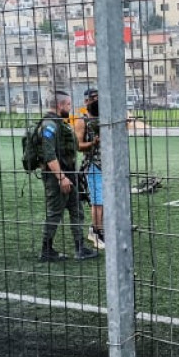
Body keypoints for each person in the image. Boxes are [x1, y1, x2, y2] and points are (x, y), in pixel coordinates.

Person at [37, 91, 99, 262]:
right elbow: (49, 155)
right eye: (69, 105)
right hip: (57, 177)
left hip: (69, 175)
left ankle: (80, 248)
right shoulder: (49, 125)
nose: (70, 108)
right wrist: (61, 178)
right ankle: (46, 250)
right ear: (60, 105)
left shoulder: (59, 123)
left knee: (76, 210)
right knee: (55, 212)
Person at [74, 89, 104, 250]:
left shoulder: (104, 117)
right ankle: (96, 231)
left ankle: (102, 229)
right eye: (93, 99)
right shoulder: (82, 121)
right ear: (86, 101)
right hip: (93, 165)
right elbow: (78, 145)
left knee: (104, 201)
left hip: (107, 166)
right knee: (97, 201)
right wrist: (93, 143)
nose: (96, 101)